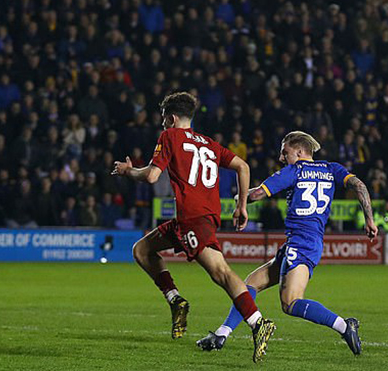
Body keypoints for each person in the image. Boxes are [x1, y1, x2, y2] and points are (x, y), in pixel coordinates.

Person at [112, 91, 276, 363]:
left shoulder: (170, 136)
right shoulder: (210, 144)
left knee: (221, 272)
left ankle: (259, 323)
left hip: (193, 219)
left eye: (165, 120)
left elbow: (152, 176)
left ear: (171, 118)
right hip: (193, 219)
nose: (163, 125)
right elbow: (242, 166)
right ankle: (176, 300)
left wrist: (129, 171)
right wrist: (242, 205)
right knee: (142, 249)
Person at [196, 131, 378, 356]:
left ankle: (344, 325)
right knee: (250, 284)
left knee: (290, 302)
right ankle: (222, 334)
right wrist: (369, 218)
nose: (282, 158)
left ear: (300, 152)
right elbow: (359, 185)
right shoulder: (332, 169)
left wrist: (237, 198)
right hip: (304, 242)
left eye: (286, 153)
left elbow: (256, 195)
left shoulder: (294, 171)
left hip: (301, 245)